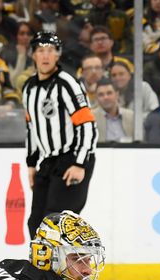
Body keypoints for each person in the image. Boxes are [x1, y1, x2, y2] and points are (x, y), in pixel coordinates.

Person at [22, 31, 98, 238]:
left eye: (50, 51)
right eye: (40, 51)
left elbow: (87, 125)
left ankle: (62, 270)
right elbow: (32, 129)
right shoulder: (28, 88)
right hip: (47, 162)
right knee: (36, 223)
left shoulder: (67, 84)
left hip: (72, 158)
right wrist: (31, 165)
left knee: (56, 223)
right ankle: (40, 270)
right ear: (33, 55)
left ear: (58, 55)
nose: (45, 56)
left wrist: (80, 163)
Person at [93, 78, 134, 142]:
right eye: (101, 95)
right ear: (96, 98)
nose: (105, 97)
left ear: (117, 94)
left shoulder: (131, 116)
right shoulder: (91, 118)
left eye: (109, 93)